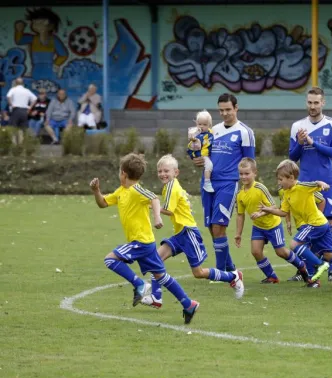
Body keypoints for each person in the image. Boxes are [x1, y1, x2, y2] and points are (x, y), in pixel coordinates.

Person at [89, 153, 200, 324]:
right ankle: (188, 304)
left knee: (110, 259)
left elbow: (154, 199)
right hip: (145, 243)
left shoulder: (136, 190)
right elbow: (103, 203)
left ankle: (140, 284)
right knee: (161, 276)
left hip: (140, 242)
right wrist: (97, 191)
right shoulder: (121, 191)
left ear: (124, 173)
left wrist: (157, 217)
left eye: (120, 172)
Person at [140, 155, 244, 309]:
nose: (162, 174)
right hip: (180, 233)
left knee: (198, 273)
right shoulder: (172, 185)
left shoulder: (170, 186)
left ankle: (233, 277)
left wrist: (151, 205)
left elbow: (168, 210)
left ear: (176, 172)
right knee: (156, 260)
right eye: (160, 171)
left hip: (188, 233)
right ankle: (156, 297)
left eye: (166, 171)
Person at [259, 160, 332, 292]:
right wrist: (268, 210)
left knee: (295, 245)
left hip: (315, 223)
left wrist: (322, 184)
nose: (279, 182)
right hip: (320, 225)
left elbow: (316, 184)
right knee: (329, 255)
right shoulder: (287, 193)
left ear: (291, 178)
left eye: (281, 179)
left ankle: (319, 265)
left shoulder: (302, 186)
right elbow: (283, 212)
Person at [190, 93, 255, 273]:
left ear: (236, 108)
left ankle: (220, 273)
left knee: (219, 226)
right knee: (212, 228)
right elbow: (203, 154)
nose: (225, 113)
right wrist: (197, 160)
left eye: (228, 109)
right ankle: (231, 269)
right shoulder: (212, 130)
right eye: (221, 110)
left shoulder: (245, 132)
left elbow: (249, 162)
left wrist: (247, 187)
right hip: (208, 182)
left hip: (228, 183)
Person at [289, 87, 332, 282]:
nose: (312, 106)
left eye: (316, 102)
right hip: (304, 184)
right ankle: (307, 269)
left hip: (326, 182)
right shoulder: (297, 126)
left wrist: (313, 142)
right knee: (305, 226)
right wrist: (301, 143)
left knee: (329, 224)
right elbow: (292, 157)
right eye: (309, 102)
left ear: (323, 103)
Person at [234, 158, 309, 284]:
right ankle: (272, 276)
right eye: (241, 174)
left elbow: (274, 207)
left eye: (247, 173)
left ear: (254, 173)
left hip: (273, 225)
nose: (243, 176)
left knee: (281, 252)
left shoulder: (260, 188)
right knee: (256, 252)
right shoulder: (240, 194)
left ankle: (302, 266)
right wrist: (238, 234)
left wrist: (261, 213)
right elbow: (240, 215)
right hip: (258, 226)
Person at [187, 110, 214, 193]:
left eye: (204, 124)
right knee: (209, 165)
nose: (201, 126)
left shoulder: (211, 132)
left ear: (209, 125)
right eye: (200, 124)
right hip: (200, 154)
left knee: (208, 165)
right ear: (196, 124)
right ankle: (207, 182)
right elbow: (192, 146)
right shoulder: (195, 134)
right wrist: (194, 141)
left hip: (207, 154)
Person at [6, 78, 37, 144]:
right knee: (22, 129)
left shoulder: (13, 89)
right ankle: (21, 145)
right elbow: (35, 99)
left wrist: (11, 105)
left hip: (16, 110)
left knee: (13, 128)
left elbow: (8, 96)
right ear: (23, 83)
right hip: (24, 111)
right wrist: (30, 108)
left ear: (15, 83)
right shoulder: (27, 90)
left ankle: (14, 145)